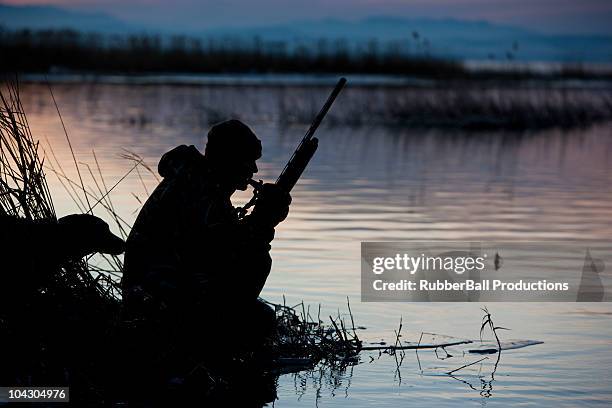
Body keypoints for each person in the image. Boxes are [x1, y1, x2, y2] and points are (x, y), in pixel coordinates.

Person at [121, 120, 291, 376]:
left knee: (257, 312)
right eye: (248, 160)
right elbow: (220, 256)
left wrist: (259, 223)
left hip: (161, 289)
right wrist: (263, 222)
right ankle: (211, 359)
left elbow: (216, 247)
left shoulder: (201, 184)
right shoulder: (196, 190)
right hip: (156, 297)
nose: (254, 169)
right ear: (229, 160)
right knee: (257, 307)